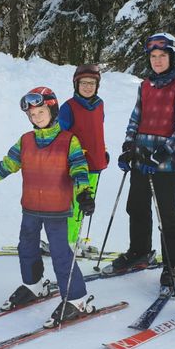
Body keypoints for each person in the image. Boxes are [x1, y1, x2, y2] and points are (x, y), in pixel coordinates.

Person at [0, 87, 96, 328]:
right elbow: (7, 165)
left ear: (53, 110)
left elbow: (79, 170)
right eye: (32, 114)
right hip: (31, 208)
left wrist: (85, 193)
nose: (36, 117)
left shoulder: (69, 141)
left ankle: (77, 297)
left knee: (60, 254)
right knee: (26, 248)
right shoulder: (26, 140)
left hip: (57, 210)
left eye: (41, 112)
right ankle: (34, 285)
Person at [108, 32, 175, 289]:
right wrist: (128, 147)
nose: (157, 61)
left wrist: (160, 154)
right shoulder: (145, 86)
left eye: (162, 55)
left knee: (167, 214)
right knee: (136, 207)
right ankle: (140, 251)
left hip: (166, 164)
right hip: (141, 159)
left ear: (172, 57)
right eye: (153, 56)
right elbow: (135, 119)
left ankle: (174, 263)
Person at [58, 64, 108, 252]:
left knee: (86, 205)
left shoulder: (99, 104)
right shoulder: (68, 107)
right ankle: (68, 243)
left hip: (95, 164)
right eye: (84, 83)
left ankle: (76, 238)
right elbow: (61, 137)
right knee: (74, 206)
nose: (88, 86)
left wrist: (102, 150)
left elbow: (96, 131)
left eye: (92, 83)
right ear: (76, 84)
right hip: (76, 166)